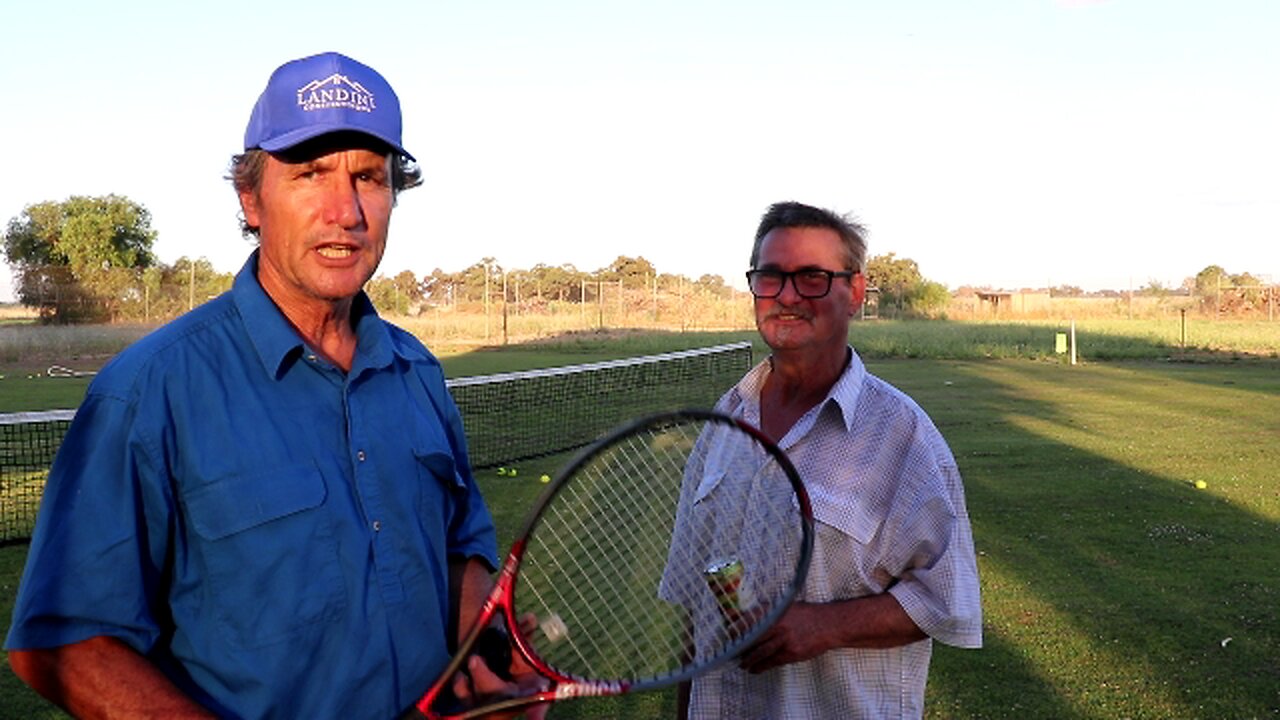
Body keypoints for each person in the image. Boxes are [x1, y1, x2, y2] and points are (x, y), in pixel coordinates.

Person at [6, 51, 538, 719]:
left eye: (369, 177)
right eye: (310, 173)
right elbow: (64, 642)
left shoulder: (416, 372)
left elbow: (462, 547)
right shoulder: (150, 392)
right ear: (251, 198)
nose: (344, 211)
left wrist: (483, 648)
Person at [675, 201, 983, 719]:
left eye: (812, 277)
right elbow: (693, 612)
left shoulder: (902, 437)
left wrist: (823, 627)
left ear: (856, 292)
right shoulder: (724, 423)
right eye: (771, 277)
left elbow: (948, 598)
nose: (788, 296)